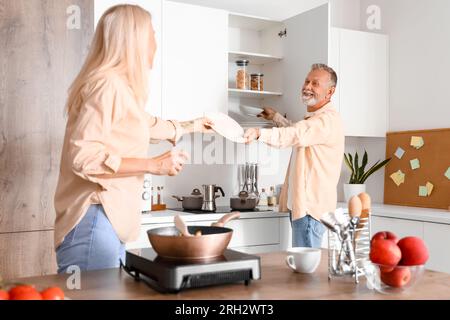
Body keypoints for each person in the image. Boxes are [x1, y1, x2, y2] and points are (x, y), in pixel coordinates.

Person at [54, 4, 212, 273]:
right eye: (152, 35)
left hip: (107, 223)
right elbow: (84, 158)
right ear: (135, 41)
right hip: (94, 219)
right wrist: (153, 165)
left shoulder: (119, 88)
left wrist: (193, 125)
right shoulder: (107, 85)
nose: (155, 43)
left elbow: (145, 125)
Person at [244, 63, 344, 248]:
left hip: (310, 211)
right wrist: (276, 118)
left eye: (315, 83)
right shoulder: (315, 120)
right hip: (304, 209)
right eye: (307, 81)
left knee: (305, 272)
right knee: (303, 268)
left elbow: (296, 134)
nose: (307, 87)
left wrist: (259, 133)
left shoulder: (325, 120)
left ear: (329, 92)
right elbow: (298, 132)